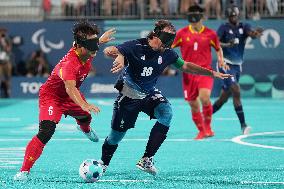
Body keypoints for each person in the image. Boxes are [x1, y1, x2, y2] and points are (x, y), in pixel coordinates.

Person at [98, 19, 231, 176]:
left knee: (166, 113)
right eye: (165, 41)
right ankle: (103, 163)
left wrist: (211, 73)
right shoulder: (136, 46)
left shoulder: (167, 53)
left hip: (149, 93)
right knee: (115, 137)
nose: (167, 46)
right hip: (129, 97)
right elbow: (108, 51)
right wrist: (120, 55)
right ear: (155, 35)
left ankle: (147, 158)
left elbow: (186, 66)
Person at [13, 20, 116, 181]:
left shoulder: (86, 50)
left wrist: (101, 40)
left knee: (86, 117)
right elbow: (70, 88)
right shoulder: (69, 64)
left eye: (96, 43)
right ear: (79, 46)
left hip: (70, 96)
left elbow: (93, 43)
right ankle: (24, 171)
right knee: (46, 131)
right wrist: (84, 104)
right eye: (92, 44)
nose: (96, 48)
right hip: (52, 97)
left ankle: (85, 129)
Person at [172, 5, 228, 140]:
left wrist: (221, 60)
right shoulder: (182, 33)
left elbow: (218, 48)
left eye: (196, 14)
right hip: (188, 73)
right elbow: (170, 47)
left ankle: (208, 127)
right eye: (191, 14)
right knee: (193, 104)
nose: (193, 17)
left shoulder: (210, 33)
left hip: (205, 72)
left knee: (204, 98)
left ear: (201, 16)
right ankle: (201, 130)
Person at [212, 4, 263, 135]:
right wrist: (227, 44)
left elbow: (251, 34)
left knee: (224, 98)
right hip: (225, 64)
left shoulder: (244, 27)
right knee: (236, 89)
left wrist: (256, 34)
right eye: (231, 16)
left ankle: (206, 115)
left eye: (235, 15)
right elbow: (215, 43)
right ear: (228, 17)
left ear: (238, 15)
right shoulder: (223, 28)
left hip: (237, 66)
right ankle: (243, 125)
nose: (234, 17)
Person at [0, 27, 13, 98]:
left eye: (3, 32)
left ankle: (8, 92)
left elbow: (9, 50)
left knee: (8, 77)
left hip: (6, 61)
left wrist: (3, 42)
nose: (2, 34)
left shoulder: (7, 40)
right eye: (1, 32)